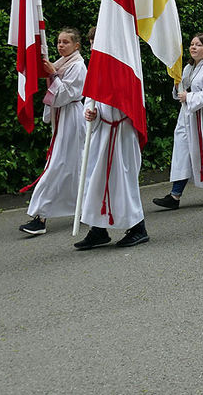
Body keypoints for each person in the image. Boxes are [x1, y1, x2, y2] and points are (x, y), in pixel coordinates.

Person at [74, 26, 149, 250]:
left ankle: (138, 227)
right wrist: (91, 112)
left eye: (97, 40)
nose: (93, 45)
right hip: (102, 133)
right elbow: (90, 97)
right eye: (91, 42)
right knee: (93, 180)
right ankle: (98, 230)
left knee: (122, 181)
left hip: (121, 133)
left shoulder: (123, 65)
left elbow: (130, 99)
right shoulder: (95, 68)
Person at [152, 33, 203, 210]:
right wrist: (177, 86)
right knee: (182, 151)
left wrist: (188, 96)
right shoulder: (188, 69)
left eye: (198, 45)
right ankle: (175, 195)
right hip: (188, 116)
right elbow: (181, 92)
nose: (193, 47)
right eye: (191, 44)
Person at [19, 28, 88, 236]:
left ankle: (40, 216)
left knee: (57, 164)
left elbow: (67, 94)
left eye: (66, 42)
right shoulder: (61, 64)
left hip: (72, 117)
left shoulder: (78, 66)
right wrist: (51, 72)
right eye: (58, 42)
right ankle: (83, 207)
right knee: (74, 166)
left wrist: (52, 74)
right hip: (62, 117)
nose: (60, 45)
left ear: (76, 46)